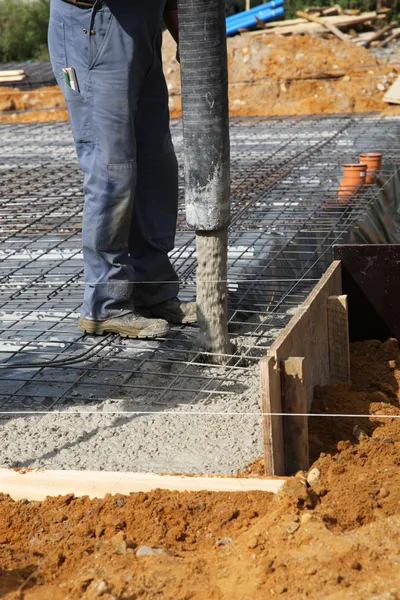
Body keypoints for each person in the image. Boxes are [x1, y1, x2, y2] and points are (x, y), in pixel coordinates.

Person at [48, 0, 196, 339]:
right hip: (95, 26)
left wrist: (186, 35)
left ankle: (152, 291)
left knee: (154, 167)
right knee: (112, 169)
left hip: (143, 27)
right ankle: (105, 305)